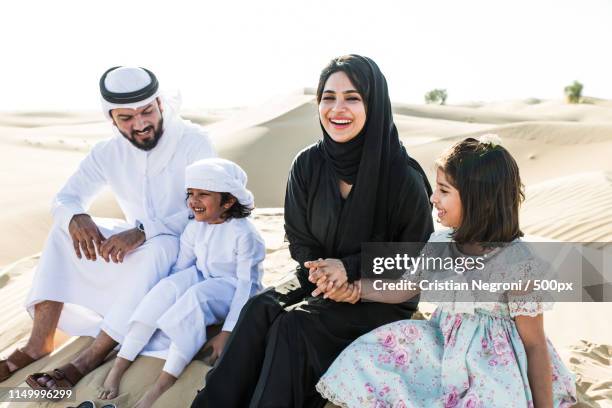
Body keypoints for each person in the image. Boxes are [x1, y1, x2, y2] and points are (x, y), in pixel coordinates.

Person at [191, 55, 434, 408]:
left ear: (374, 103)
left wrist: (349, 272)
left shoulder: (403, 177)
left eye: (352, 98)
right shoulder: (307, 164)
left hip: (379, 293)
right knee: (260, 308)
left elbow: (413, 256)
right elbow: (298, 237)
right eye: (328, 97)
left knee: (295, 327)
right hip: (317, 278)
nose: (338, 108)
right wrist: (323, 274)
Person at [315, 136, 577, 408]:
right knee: (368, 356)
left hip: (494, 364)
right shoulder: (440, 243)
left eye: (444, 190)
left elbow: (534, 344)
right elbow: (404, 288)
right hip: (442, 345)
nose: (433, 197)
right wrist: (355, 289)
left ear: (479, 200)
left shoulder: (516, 261)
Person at [0, 66, 215, 388]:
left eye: (146, 112)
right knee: (62, 230)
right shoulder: (107, 152)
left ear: (159, 105)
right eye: (126, 118)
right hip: (138, 255)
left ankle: (90, 357)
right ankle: (37, 344)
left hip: (188, 251)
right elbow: (65, 198)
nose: (140, 124)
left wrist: (144, 230)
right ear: (111, 118)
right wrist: (76, 217)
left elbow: (208, 207)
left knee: (162, 245)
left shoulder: (192, 141)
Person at [97, 158, 265, 407]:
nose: (193, 201)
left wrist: (228, 331)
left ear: (229, 201)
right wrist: (168, 296)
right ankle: (119, 366)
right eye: (190, 194)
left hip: (230, 288)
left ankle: (160, 385)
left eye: (203, 194)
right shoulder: (196, 227)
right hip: (202, 275)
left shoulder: (245, 234)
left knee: (195, 297)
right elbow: (181, 267)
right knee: (167, 288)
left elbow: (246, 287)